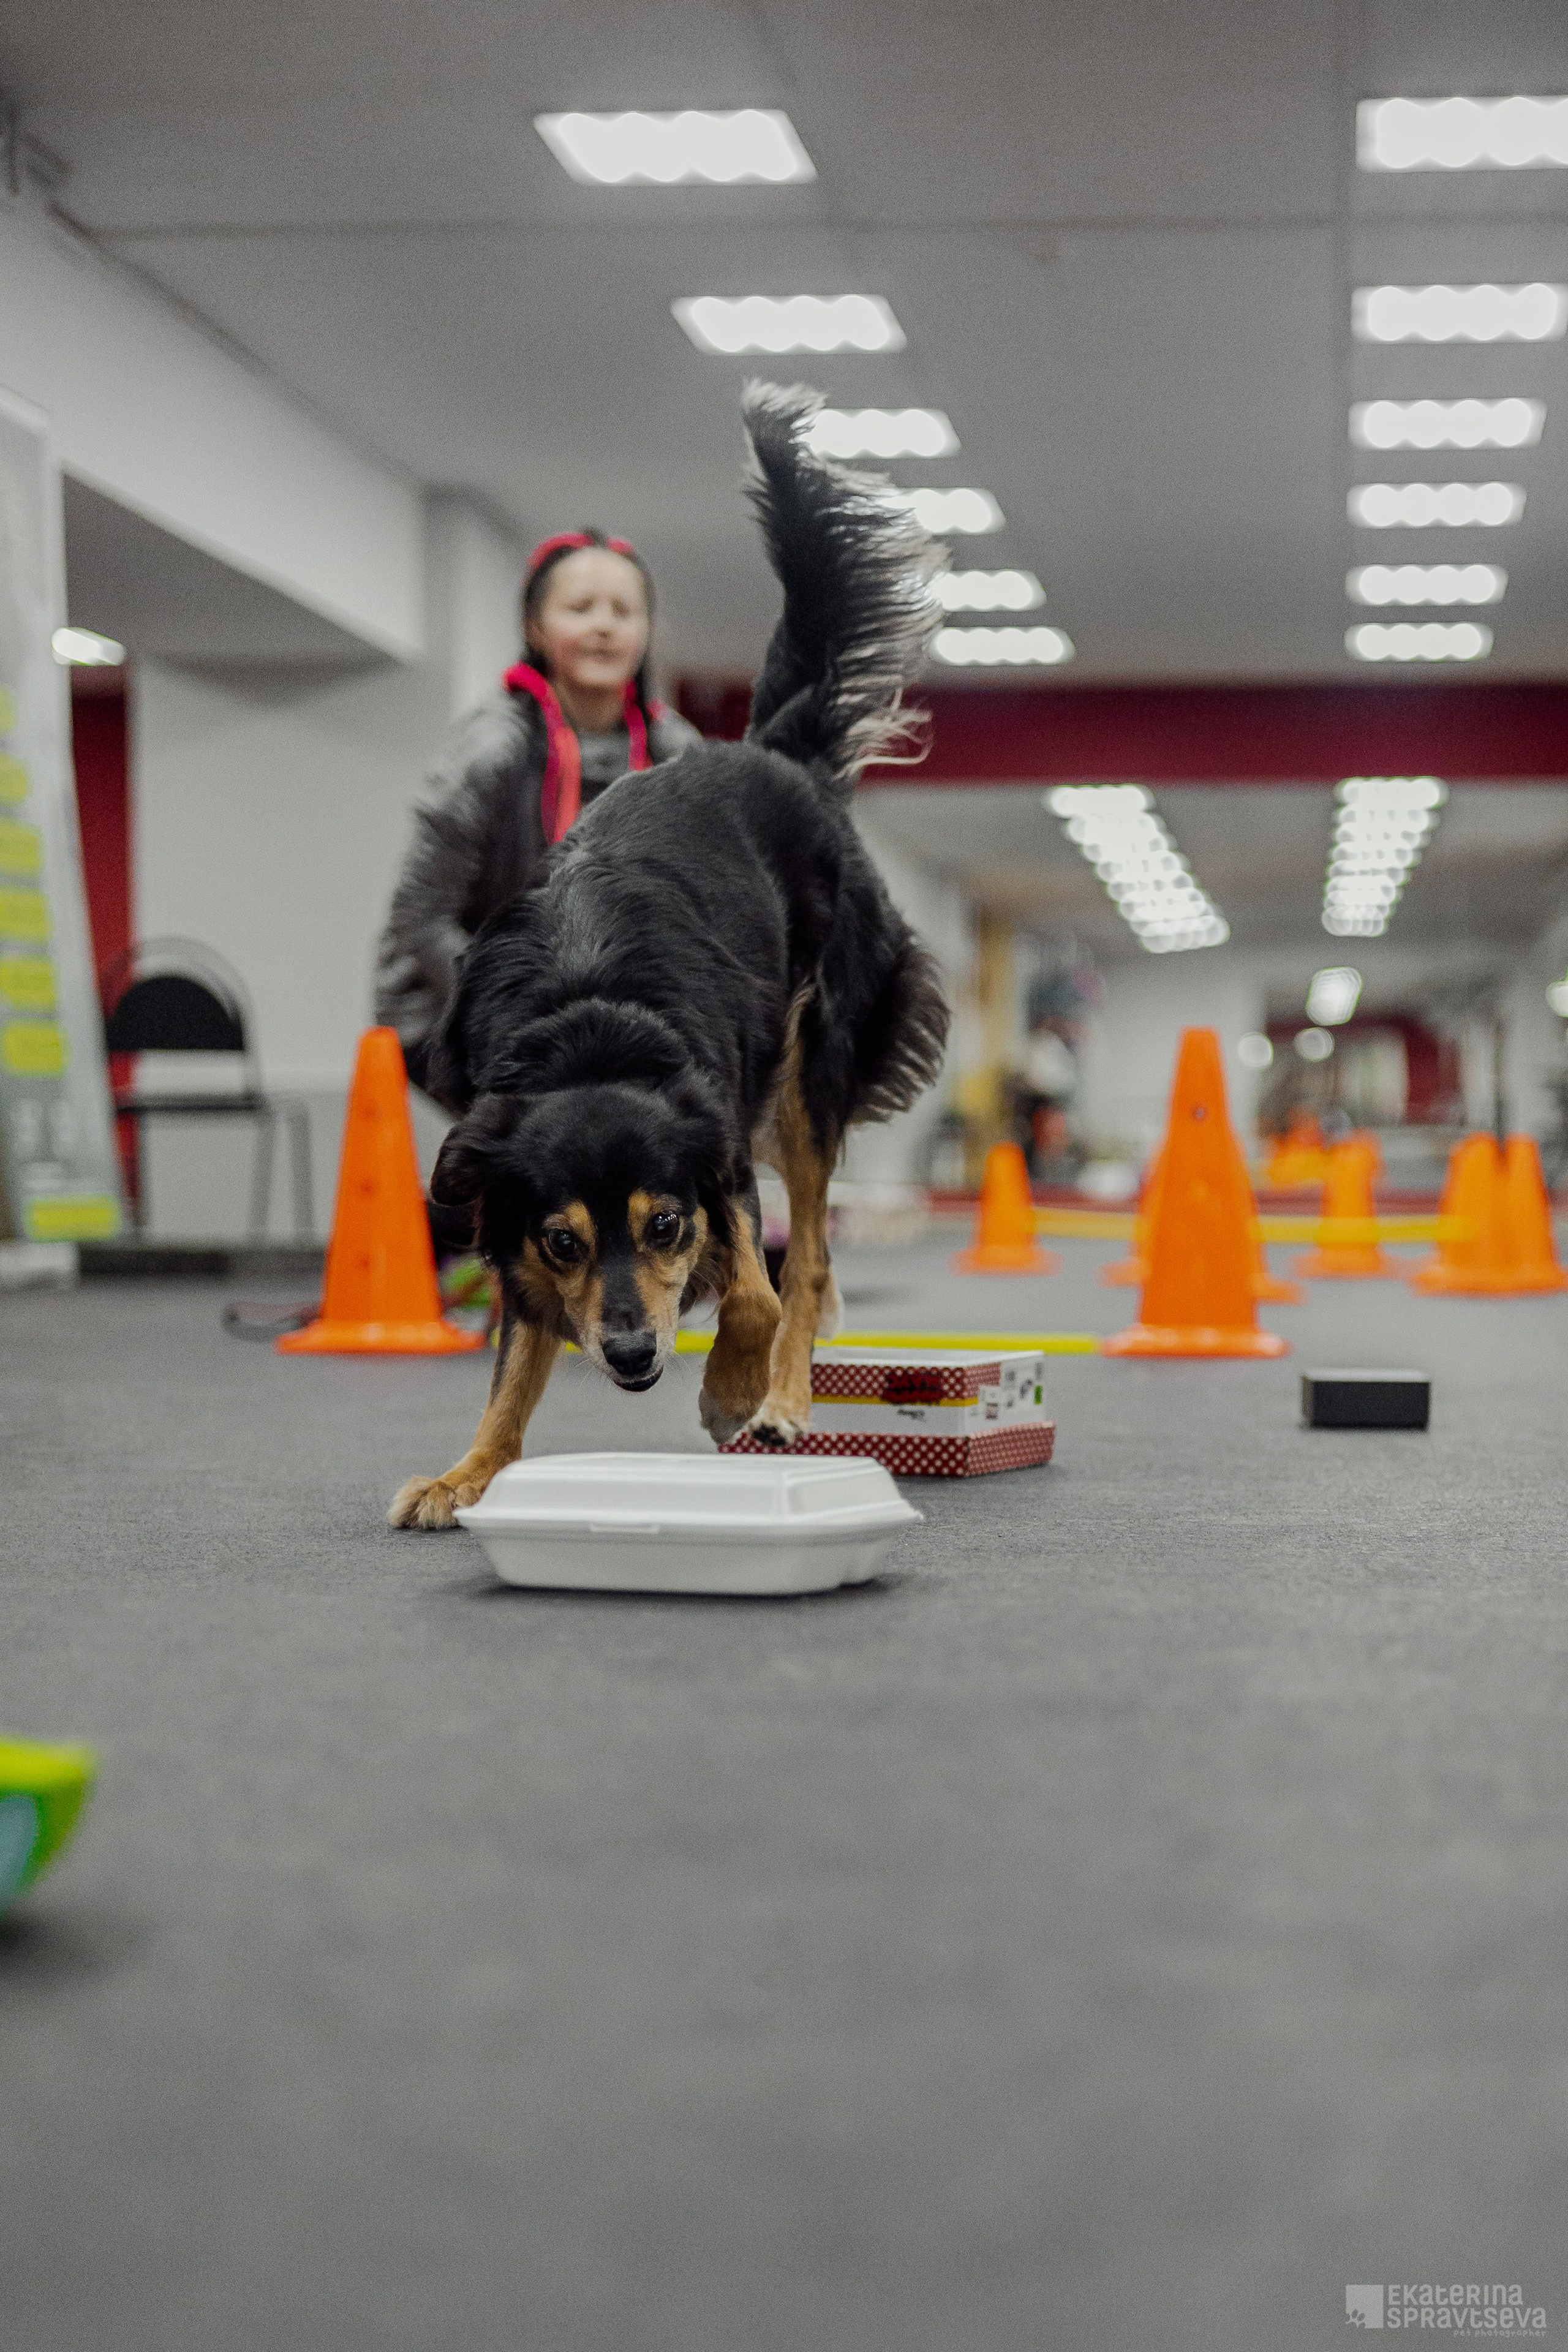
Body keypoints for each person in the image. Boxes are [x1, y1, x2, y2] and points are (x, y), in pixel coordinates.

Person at [375, 529, 701, 1099]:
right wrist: (526, 1008)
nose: (604, 625)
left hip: (597, 1011)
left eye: (624, 611)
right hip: (449, 1007)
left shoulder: (677, 756)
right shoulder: (491, 750)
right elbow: (419, 920)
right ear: (535, 628)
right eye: (580, 608)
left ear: (647, 633)